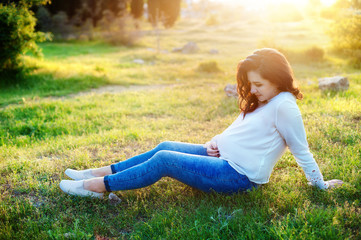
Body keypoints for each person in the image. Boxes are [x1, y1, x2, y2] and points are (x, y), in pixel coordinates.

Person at [59, 48, 343, 198]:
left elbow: (301, 150)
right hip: (224, 159)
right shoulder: (268, 100)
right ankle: (93, 172)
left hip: (237, 177)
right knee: (166, 145)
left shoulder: (285, 107)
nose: (253, 90)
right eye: (250, 84)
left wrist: (319, 185)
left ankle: (97, 187)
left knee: (165, 159)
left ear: (278, 79)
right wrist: (215, 141)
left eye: (258, 84)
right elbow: (239, 129)